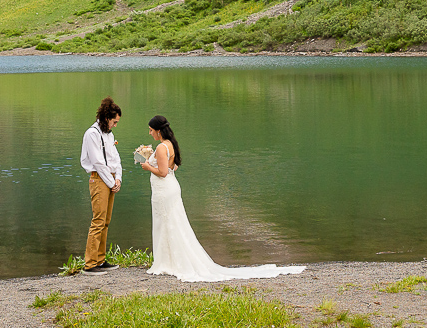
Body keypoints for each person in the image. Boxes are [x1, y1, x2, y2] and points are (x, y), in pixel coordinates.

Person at [139, 114, 304, 282]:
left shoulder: (161, 148)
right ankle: (170, 260)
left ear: (159, 131)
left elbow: (163, 172)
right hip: (171, 189)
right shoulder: (170, 144)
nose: (150, 133)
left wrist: (147, 166)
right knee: (173, 224)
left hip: (164, 191)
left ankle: (167, 262)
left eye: (151, 130)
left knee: (167, 223)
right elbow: (174, 166)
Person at [80, 97, 122, 274]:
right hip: (99, 179)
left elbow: (115, 158)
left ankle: (100, 259)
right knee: (98, 220)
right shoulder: (92, 134)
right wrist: (111, 182)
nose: (115, 125)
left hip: (110, 179)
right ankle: (90, 264)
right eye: (114, 121)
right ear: (106, 118)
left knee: (106, 221)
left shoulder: (109, 134)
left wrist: (118, 178)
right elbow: (97, 162)